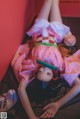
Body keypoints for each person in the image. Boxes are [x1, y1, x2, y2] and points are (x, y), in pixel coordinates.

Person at [11, 0, 80, 119]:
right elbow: (78, 85)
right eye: (48, 73)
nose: (44, 68)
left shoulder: (31, 68)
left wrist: (32, 116)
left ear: (35, 73)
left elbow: (21, 89)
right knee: (55, 2)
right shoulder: (61, 67)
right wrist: (58, 104)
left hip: (39, 31)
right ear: (53, 76)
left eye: (40, 71)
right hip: (56, 34)